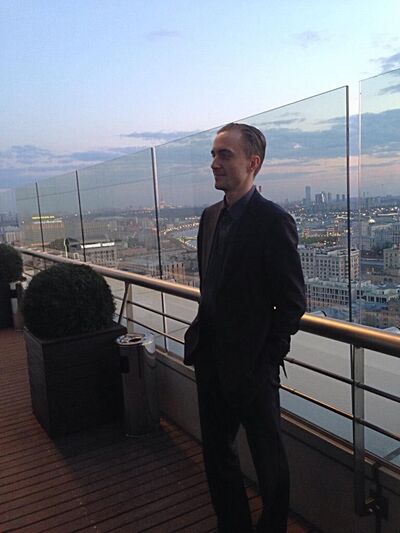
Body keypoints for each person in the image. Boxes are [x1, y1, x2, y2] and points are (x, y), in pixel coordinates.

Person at [184, 123, 306, 533]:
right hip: (210, 359)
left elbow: (292, 303)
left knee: (269, 461)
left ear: (253, 163)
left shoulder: (273, 221)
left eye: (225, 154)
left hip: (253, 366)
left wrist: (267, 359)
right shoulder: (209, 217)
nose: (214, 163)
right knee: (217, 455)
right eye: (213, 154)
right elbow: (212, 288)